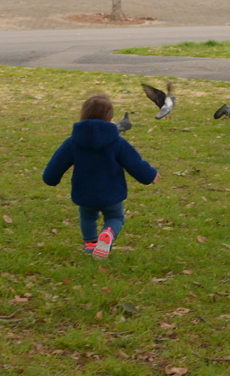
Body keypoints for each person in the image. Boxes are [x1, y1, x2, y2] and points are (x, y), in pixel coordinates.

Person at [42, 94, 159, 259]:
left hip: (85, 193)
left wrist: (50, 178)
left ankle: (90, 245)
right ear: (110, 118)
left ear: (82, 115)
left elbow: (56, 164)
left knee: (87, 217)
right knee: (115, 217)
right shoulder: (118, 142)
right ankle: (108, 234)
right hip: (112, 193)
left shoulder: (73, 143)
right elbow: (135, 163)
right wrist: (150, 175)